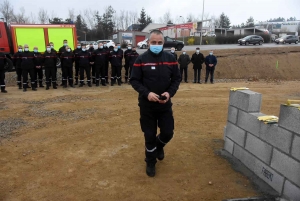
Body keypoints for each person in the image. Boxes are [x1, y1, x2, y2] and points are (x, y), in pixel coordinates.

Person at [130, 30, 181, 177]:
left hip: (164, 105)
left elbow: (176, 79)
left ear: (163, 43)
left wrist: (169, 93)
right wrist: (147, 94)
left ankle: (160, 146)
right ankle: (150, 162)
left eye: (159, 43)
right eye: (154, 42)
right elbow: (134, 80)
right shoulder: (141, 59)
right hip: (147, 106)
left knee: (168, 132)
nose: (156, 45)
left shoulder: (171, 58)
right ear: (148, 43)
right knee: (149, 135)